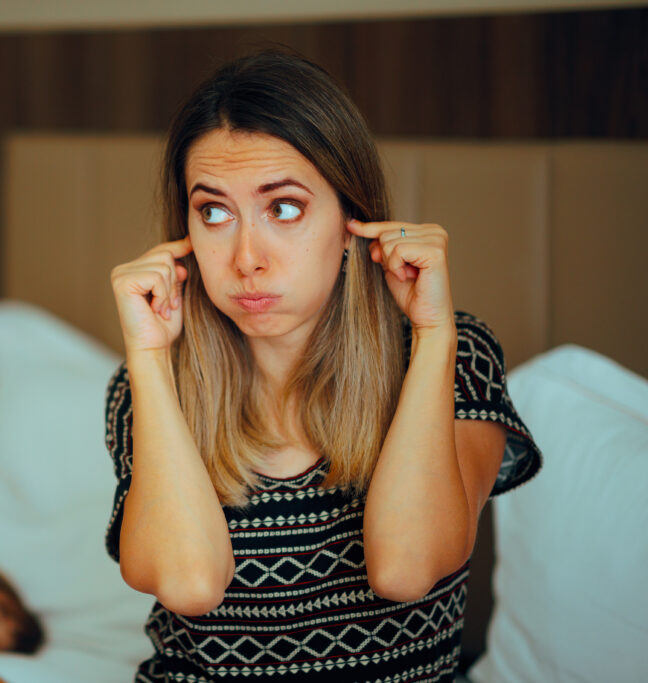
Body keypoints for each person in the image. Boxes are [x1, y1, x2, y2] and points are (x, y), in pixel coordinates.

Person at [106, 50, 541, 682]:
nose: (246, 258)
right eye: (214, 212)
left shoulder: (454, 354)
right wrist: (148, 359)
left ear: (350, 219)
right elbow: (188, 583)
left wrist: (433, 333)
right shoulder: (147, 386)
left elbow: (406, 569)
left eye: (283, 207)